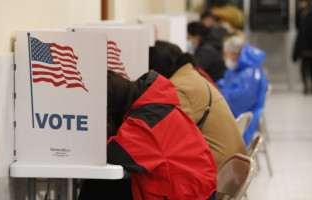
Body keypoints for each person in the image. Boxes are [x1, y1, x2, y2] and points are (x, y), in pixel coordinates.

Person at [79, 71, 217, 200]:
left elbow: (114, 153)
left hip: (187, 195)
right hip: (193, 189)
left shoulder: (146, 122)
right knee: (101, 185)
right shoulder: (152, 106)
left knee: (99, 186)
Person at [150, 41, 247, 167]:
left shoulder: (179, 87)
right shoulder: (190, 75)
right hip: (230, 163)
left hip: (219, 169)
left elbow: (167, 136)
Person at [217, 36, 268, 147]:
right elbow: (228, 84)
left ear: (235, 55)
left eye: (226, 54)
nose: (224, 58)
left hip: (242, 121)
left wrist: (218, 97)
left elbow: (239, 101)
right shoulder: (241, 69)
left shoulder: (249, 73)